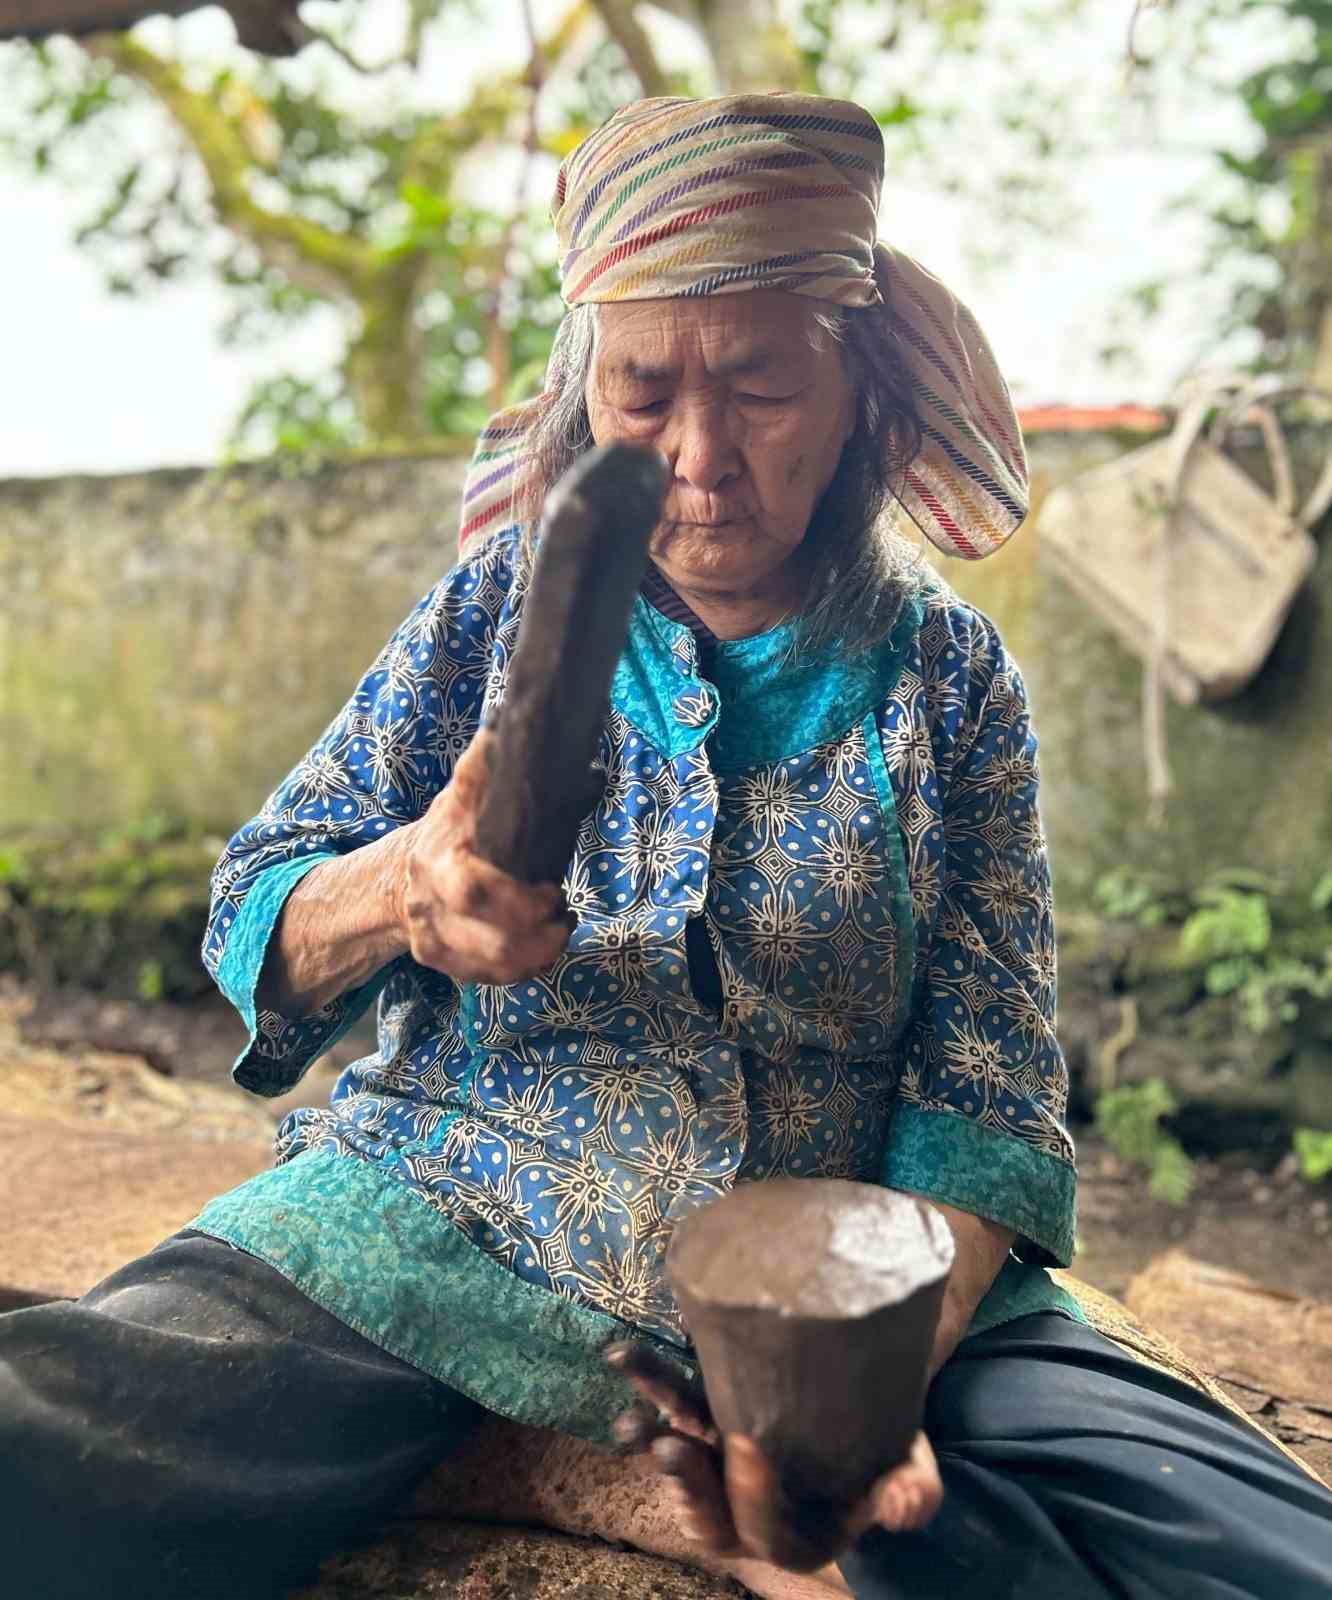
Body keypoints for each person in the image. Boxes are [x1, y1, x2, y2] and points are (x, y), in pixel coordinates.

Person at [2, 91, 1329, 1600]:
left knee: (1245, 1551)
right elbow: (263, 898)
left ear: (858, 393)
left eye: (760, 387)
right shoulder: (493, 612)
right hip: (439, 1220)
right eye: (641, 393)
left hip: (852, 1279)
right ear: (586, 402)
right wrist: (406, 890)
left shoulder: (949, 685)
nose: (699, 457)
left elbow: (987, 1097)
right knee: (47, 1445)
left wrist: (852, 1385)